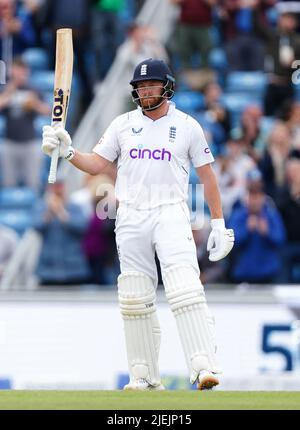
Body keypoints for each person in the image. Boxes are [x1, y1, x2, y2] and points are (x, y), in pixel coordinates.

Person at [41, 58, 235, 391]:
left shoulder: (188, 126)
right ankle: (144, 375)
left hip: (171, 211)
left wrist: (218, 223)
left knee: (184, 287)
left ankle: (203, 366)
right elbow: (97, 163)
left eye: (151, 85)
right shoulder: (122, 124)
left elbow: (207, 175)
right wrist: (69, 150)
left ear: (167, 86)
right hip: (130, 214)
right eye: (141, 87)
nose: (145, 91)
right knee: (134, 296)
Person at [0, 57, 50, 190]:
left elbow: (47, 111)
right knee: (8, 184)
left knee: (33, 183)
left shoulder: (33, 89)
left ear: (26, 71)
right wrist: (9, 92)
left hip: (30, 142)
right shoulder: (5, 89)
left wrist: (35, 104)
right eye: (16, 70)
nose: (20, 74)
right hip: (9, 142)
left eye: (22, 71)